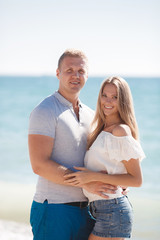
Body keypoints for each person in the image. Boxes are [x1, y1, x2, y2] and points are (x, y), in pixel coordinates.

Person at [28, 49, 118, 240]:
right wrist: (87, 181)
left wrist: (115, 182)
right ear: (58, 73)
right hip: (53, 208)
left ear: (87, 75)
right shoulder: (45, 110)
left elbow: (98, 159)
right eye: (69, 70)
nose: (75, 75)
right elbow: (39, 165)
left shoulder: (92, 115)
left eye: (81, 71)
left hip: (87, 209)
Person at [64, 76, 145, 240]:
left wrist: (92, 176)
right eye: (104, 95)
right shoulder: (100, 129)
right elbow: (116, 170)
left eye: (115, 97)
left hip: (113, 211)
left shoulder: (120, 131)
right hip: (100, 209)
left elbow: (136, 180)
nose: (108, 101)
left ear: (123, 101)